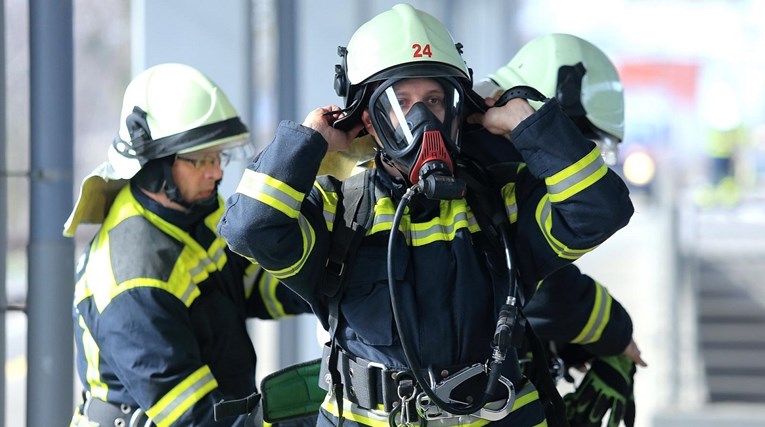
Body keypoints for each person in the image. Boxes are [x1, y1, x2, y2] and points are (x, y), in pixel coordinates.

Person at [219, 4, 634, 427]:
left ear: (457, 110)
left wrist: (528, 126)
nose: (420, 121)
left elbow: (601, 212)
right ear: (368, 119)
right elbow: (250, 229)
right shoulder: (338, 209)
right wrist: (307, 142)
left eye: (434, 100)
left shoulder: (501, 202)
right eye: (399, 102)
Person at [64, 63, 311, 427]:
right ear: (156, 164)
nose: (217, 172)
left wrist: (330, 283)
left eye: (219, 156)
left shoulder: (191, 211)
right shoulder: (133, 279)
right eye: (202, 160)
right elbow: (194, 419)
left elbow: (252, 283)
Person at [469, 33, 648, 426]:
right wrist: (611, 330)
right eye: (579, 140)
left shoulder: (480, 152)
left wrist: (558, 340)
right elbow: (534, 284)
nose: (576, 156)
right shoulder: (482, 161)